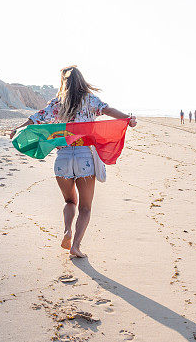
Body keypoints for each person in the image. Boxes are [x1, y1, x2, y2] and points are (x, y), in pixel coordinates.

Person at [9, 66, 137, 258]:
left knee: (69, 201)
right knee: (85, 207)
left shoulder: (57, 103)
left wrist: (17, 129)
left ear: (64, 82)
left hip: (63, 159)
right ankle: (75, 245)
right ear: (81, 81)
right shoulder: (90, 99)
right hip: (84, 157)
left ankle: (67, 231)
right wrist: (128, 118)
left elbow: (36, 119)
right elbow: (108, 110)